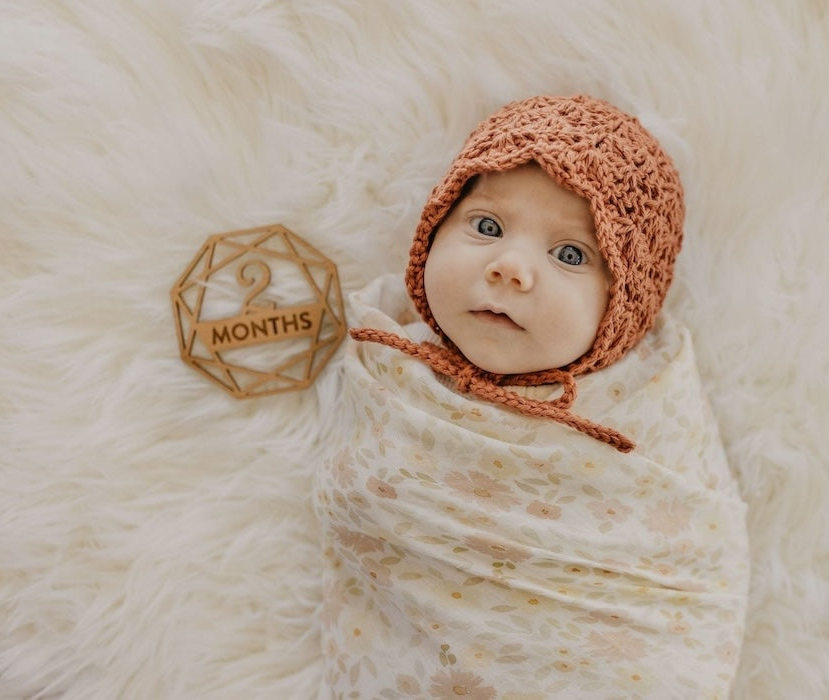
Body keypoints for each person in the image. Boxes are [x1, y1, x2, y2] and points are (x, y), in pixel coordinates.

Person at [316, 95, 748, 699]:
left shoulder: (646, 397)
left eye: (570, 254)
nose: (510, 268)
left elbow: (682, 568)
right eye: (487, 226)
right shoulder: (384, 357)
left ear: (623, 308)